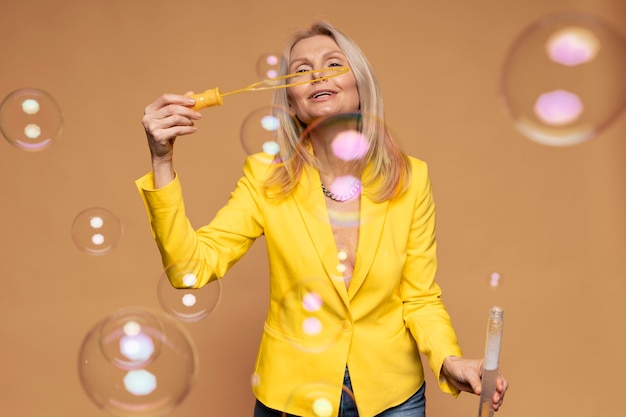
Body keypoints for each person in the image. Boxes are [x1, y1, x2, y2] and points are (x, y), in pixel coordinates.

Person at [137, 21, 508, 417]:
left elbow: (419, 298)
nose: (316, 74)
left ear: (361, 88)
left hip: (392, 397)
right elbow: (189, 270)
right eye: (300, 70)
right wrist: (162, 160)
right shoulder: (265, 177)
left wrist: (450, 360)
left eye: (333, 63)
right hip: (292, 398)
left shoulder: (411, 178)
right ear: (292, 103)